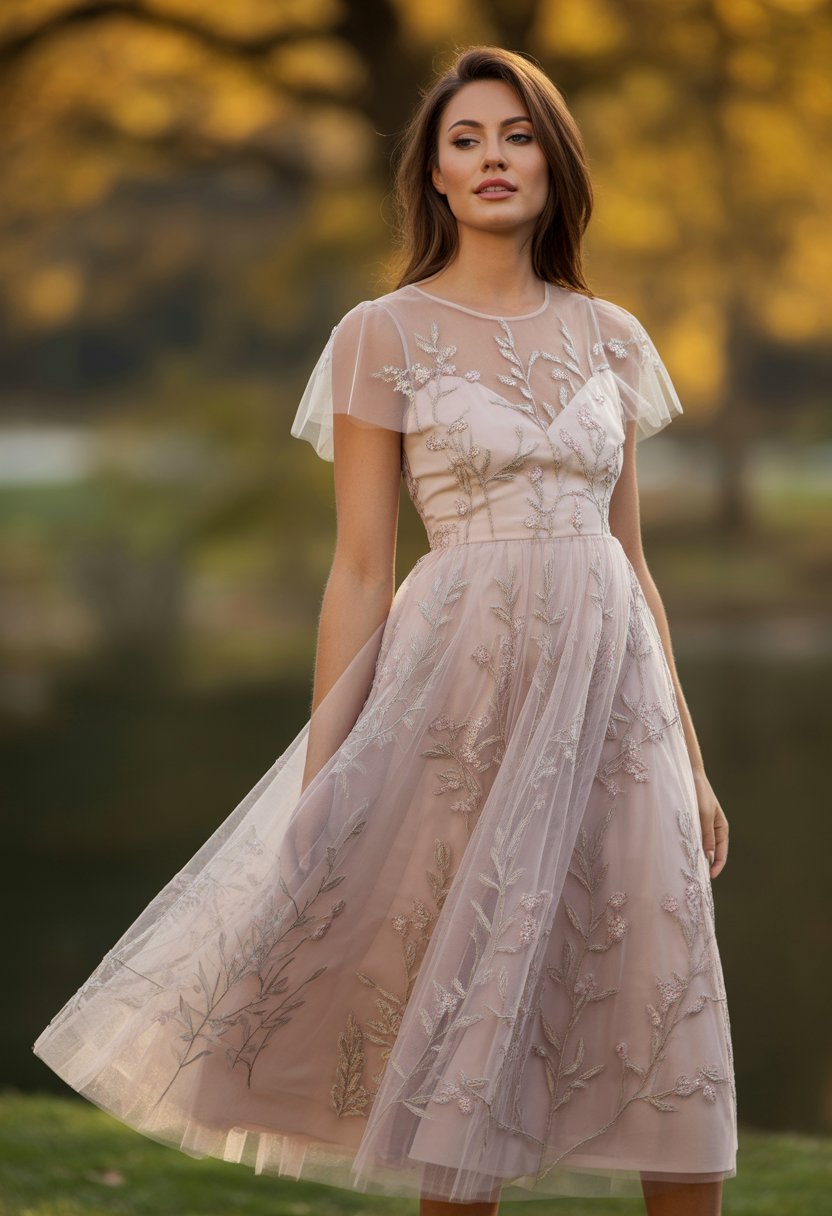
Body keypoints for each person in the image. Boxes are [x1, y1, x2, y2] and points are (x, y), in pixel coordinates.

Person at [32, 45, 736, 1216]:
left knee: (661, 995)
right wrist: (325, 778)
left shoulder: (613, 335)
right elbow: (360, 571)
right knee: (459, 1007)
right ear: (435, 177)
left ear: (554, 164)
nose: (493, 157)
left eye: (517, 135)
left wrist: (694, 761)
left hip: (619, 710)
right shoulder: (382, 333)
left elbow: (634, 562)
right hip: (459, 699)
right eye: (466, 140)